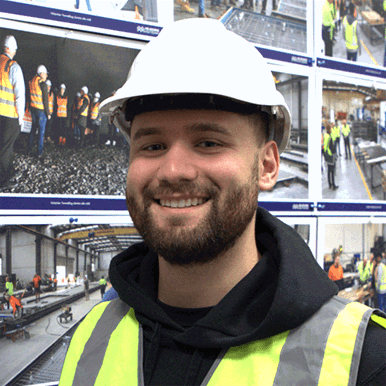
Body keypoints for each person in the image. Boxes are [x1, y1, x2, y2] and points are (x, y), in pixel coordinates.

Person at [60, 19, 386, 386]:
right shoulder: (91, 337)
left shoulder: (364, 360)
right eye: (152, 146)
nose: (173, 170)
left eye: (208, 143)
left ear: (267, 166)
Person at [0, 35, 25, 191]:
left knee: (2, 146)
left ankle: (8, 171)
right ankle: (4, 179)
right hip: (10, 115)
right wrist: (20, 117)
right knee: (6, 147)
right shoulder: (13, 66)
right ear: (12, 49)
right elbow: (19, 95)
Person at [28, 64, 51, 158]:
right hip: (41, 111)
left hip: (33, 109)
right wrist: (48, 113)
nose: (46, 76)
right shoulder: (42, 83)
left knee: (33, 130)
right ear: (41, 73)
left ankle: (28, 150)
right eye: (45, 74)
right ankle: (39, 153)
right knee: (41, 132)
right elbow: (45, 100)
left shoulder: (32, 81)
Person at [323, 123, 338, 190]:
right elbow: (329, 147)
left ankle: (330, 184)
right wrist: (332, 154)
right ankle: (333, 185)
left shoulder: (326, 135)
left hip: (328, 155)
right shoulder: (328, 136)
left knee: (329, 170)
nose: (331, 130)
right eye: (331, 129)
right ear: (329, 129)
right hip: (330, 155)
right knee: (332, 170)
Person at [44, 79, 54, 143]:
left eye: (49, 86)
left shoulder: (52, 94)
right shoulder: (44, 94)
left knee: (49, 125)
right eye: (47, 86)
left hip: (50, 113)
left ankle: (47, 137)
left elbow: (53, 103)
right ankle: (43, 137)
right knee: (44, 125)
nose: (48, 87)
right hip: (45, 112)